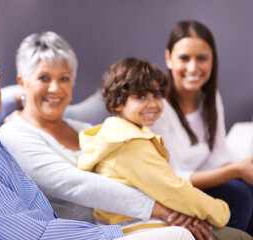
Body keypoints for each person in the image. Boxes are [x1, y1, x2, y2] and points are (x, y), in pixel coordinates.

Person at [0, 29, 191, 240]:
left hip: (68, 230)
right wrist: (116, 233)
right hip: (59, 234)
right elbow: (29, 235)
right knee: (179, 235)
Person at [0, 31, 223, 240]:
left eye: (64, 78)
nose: (55, 88)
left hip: (130, 223)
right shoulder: (14, 134)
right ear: (22, 83)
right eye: (44, 78)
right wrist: (163, 210)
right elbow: (75, 184)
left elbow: (140, 174)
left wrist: (179, 210)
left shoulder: (86, 129)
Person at [77, 57, 252, 239]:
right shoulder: (128, 142)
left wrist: (186, 214)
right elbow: (173, 189)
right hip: (141, 227)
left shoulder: (119, 135)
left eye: (158, 95)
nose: (153, 103)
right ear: (116, 103)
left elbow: (163, 189)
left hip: (140, 221)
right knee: (241, 235)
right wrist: (220, 211)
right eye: (141, 96)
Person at [150, 20, 253, 233]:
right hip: (172, 189)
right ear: (169, 59)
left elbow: (218, 156)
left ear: (212, 60)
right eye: (184, 58)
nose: (193, 68)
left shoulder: (210, 96)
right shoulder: (157, 106)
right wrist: (237, 170)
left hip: (200, 183)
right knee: (240, 193)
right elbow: (174, 177)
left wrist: (244, 170)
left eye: (202, 58)